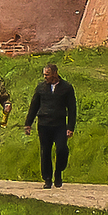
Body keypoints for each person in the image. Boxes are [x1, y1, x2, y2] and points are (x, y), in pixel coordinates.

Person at [23, 59, 77, 190]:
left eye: (47, 74)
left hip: (59, 124)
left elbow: (72, 108)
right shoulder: (41, 87)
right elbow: (34, 105)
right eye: (44, 75)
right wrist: (28, 123)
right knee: (45, 151)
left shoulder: (67, 88)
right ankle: (47, 178)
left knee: (62, 149)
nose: (45, 77)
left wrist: (70, 127)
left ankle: (58, 172)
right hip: (44, 124)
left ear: (55, 73)